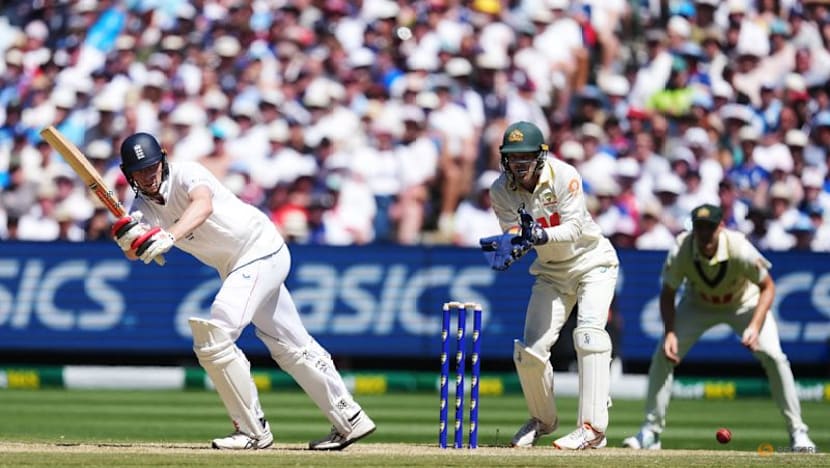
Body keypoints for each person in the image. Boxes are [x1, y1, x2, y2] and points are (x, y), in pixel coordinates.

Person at [111, 133, 375, 451]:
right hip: (240, 265)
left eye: (151, 167)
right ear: (129, 173)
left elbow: (203, 205)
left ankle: (252, 431)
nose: (148, 175)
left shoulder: (187, 173)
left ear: (163, 161)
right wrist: (128, 241)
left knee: (216, 333)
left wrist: (169, 234)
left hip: (259, 248)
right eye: (139, 171)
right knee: (290, 345)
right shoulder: (141, 206)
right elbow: (136, 252)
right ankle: (350, 418)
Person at [622, 204, 816, 453]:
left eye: (709, 228)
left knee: (775, 357)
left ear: (720, 227)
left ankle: (798, 432)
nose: (704, 234)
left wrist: (755, 326)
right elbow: (668, 293)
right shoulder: (682, 248)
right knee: (663, 354)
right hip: (698, 304)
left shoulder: (739, 247)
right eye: (699, 228)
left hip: (743, 303)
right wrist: (670, 332)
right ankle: (651, 432)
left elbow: (768, 287)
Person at [479, 121, 620, 450]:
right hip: (551, 271)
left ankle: (592, 429)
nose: (519, 164)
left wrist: (536, 236)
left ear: (540, 156)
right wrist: (510, 246)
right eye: (513, 157)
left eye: (525, 156)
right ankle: (542, 420)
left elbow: (571, 230)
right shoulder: (500, 189)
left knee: (588, 335)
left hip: (592, 262)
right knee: (529, 352)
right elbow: (515, 232)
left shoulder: (565, 175)